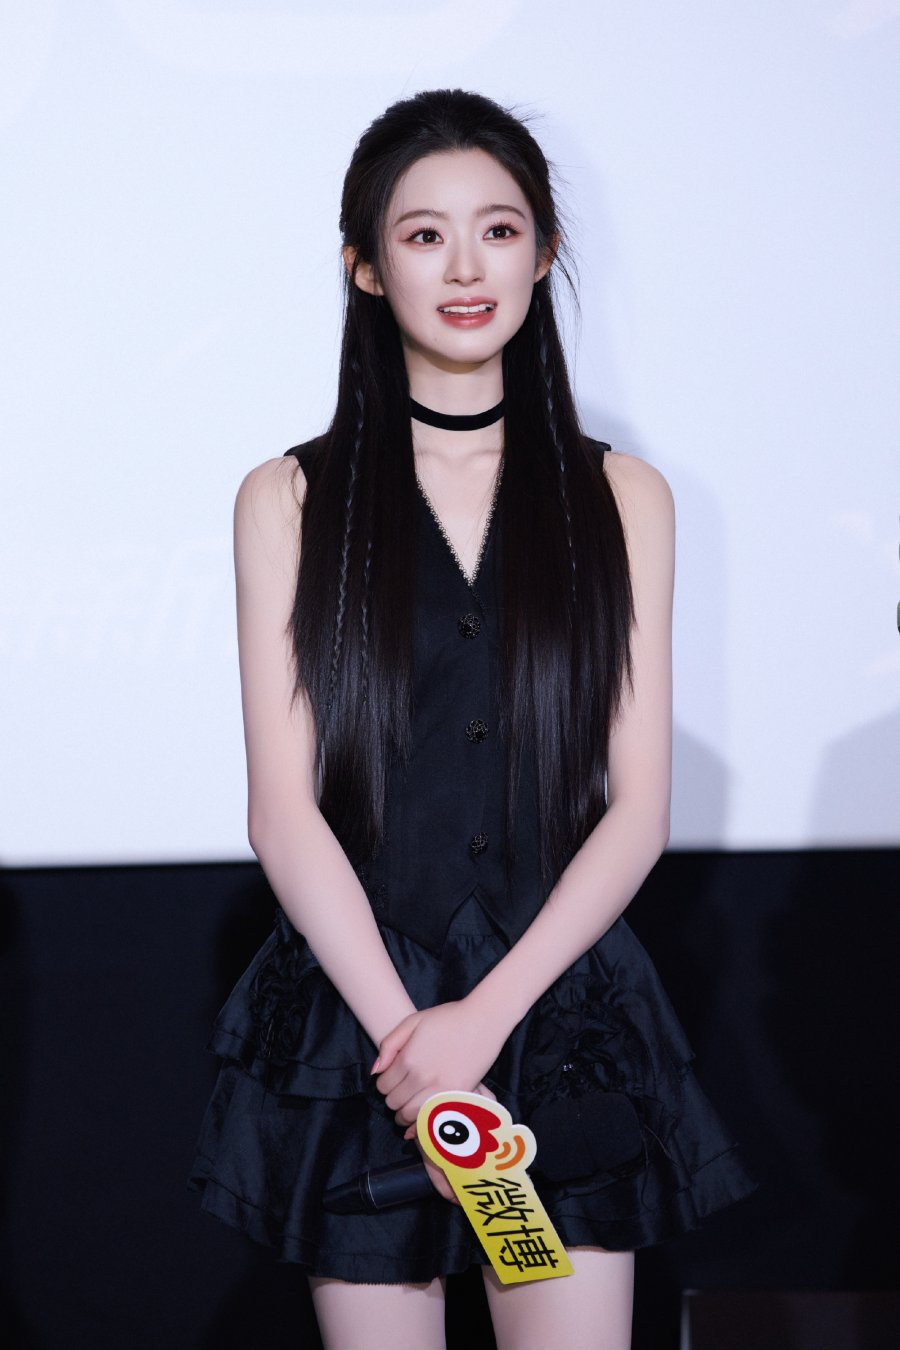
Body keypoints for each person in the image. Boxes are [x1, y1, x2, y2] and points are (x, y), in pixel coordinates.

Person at [190, 89, 754, 1349]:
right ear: (365, 265)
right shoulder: (290, 499)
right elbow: (284, 812)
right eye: (424, 234)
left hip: (556, 1017)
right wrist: (412, 1045)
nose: (464, 267)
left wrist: (482, 1023)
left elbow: (637, 808)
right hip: (360, 1024)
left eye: (498, 230)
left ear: (543, 254)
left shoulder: (623, 497)